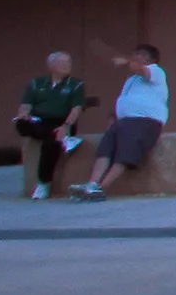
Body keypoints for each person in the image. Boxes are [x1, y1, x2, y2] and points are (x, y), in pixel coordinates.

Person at [70, 44, 166, 201]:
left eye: (141, 54)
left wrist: (126, 62)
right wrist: (113, 119)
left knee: (125, 154)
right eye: (135, 53)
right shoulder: (131, 80)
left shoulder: (156, 71)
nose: (136, 56)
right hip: (123, 122)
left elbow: (142, 70)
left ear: (152, 59)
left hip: (143, 122)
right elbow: (125, 99)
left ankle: (101, 189)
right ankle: (92, 184)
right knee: (104, 150)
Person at [11, 51, 86, 200]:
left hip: (61, 121)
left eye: (68, 63)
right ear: (51, 66)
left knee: (51, 143)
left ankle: (43, 183)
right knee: (22, 123)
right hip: (38, 121)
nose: (66, 66)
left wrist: (65, 126)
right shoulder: (36, 83)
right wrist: (24, 114)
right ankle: (63, 138)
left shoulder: (76, 84)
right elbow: (25, 105)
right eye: (62, 63)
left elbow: (76, 109)